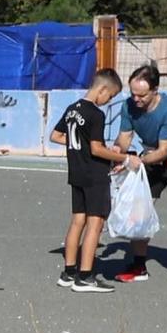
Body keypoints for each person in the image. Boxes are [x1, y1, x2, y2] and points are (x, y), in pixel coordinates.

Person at [112, 63, 167, 291]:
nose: (136, 99)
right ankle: (139, 266)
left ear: (155, 90)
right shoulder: (128, 107)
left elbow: (163, 151)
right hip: (151, 158)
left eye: (141, 95)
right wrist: (117, 155)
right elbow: (124, 139)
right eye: (132, 93)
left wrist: (136, 160)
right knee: (140, 211)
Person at [50, 67, 128, 294]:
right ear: (102, 89)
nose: (108, 101)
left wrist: (78, 147)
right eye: (110, 96)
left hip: (77, 172)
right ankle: (85, 276)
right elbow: (96, 149)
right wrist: (124, 157)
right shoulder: (95, 114)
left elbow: (55, 136)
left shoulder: (72, 109)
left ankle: (69, 271)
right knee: (95, 224)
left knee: (77, 221)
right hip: (95, 175)